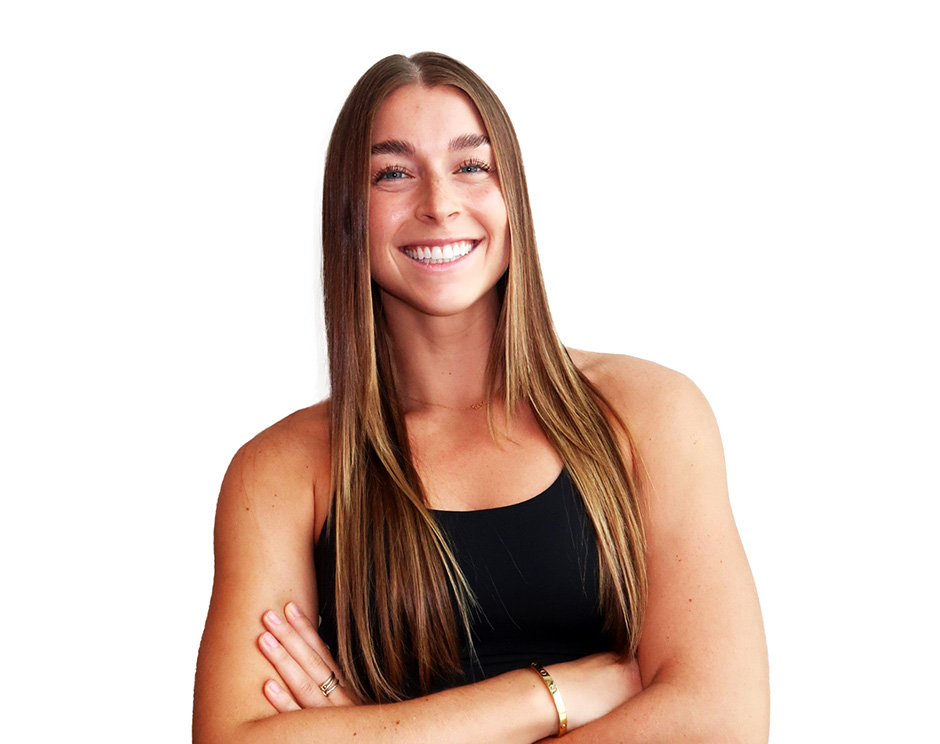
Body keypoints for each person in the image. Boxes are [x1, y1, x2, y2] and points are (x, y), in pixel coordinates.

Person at [193, 52, 769, 743]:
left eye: (471, 166)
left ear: (513, 198)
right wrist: (547, 695)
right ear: (350, 214)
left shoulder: (648, 414)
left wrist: (368, 731)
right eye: (394, 173)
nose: (439, 204)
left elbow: (720, 721)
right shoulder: (282, 472)